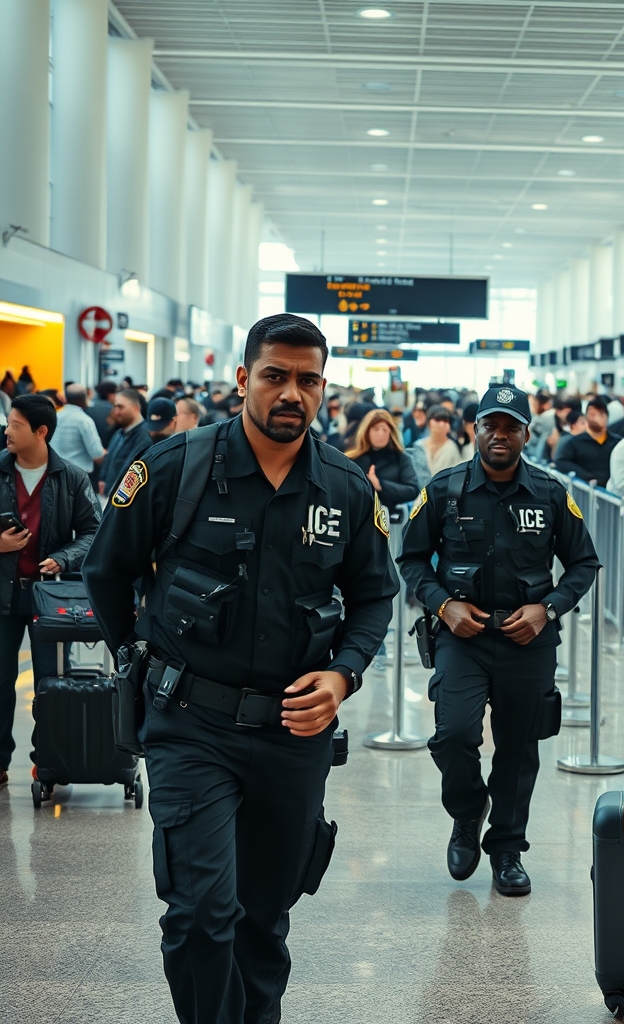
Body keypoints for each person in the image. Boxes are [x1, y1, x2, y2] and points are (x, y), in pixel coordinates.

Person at [82, 313, 398, 1024]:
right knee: (200, 911)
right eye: (275, 376)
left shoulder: (346, 488)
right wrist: (140, 656)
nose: (293, 393)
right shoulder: (175, 468)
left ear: (325, 388)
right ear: (242, 379)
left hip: (293, 736)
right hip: (189, 725)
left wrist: (343, 674)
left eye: (308, 380)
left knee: (263, 915)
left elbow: (376, 594)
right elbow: (108, 571)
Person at [398, 385, 599, 896]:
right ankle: (468, 814)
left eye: (511, 426)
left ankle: (507, 848)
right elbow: (412, 561)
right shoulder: (444, 490)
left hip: (527, 640)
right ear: (476, 430)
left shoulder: (552, 494)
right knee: (454, 734)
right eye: (491, 425)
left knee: (518, 747)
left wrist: (546, 609)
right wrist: (444, 604)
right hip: (462, 637)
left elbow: (584, 563)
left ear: (527, 434)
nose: (500, 435)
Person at [0, 395, 100, 787]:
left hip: (51, 598)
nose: (7, 430)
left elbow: (94, 531)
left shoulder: (71, 477)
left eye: (16, 424)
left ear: (41, 432)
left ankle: (50, 760)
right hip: (2, 596)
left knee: (51, 683)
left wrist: (64, 556)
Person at [345, 407, 419, 512]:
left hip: (389, 518)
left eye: (384, 429)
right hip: (356, 514)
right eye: (376, 429)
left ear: (390, 432)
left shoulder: (401, 458)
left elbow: (413, 490)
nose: (380, 433)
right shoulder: (351, 459)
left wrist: (380, 485)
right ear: (367, 431)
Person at [98, 388, 151, 497]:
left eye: (120, 407)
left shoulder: (145, 435)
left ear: (136, 408)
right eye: (115, 406)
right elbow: (109, 458)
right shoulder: (119, 433)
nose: (116, 411)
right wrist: (103, 478)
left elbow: (131, 467)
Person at [554, 395, 615, 487]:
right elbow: (561, 461)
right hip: (585, 493)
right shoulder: (574, 442)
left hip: (612, 494)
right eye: (592, 414)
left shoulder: (616, 442)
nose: (597, 418)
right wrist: (586, 476)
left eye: (601, 413)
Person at [51, 383, 106, 476]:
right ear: (84, 398)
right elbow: (97, 454)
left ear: (66, 398)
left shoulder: (54, 416)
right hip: (78, 476)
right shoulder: (84, 420)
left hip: (54, 472)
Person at [410, 405, 463, 486]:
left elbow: (455, 478)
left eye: (445, 421)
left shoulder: (452, 448)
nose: (442, 424)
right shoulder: (419, 446)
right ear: (428, 423)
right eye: (437, 420)